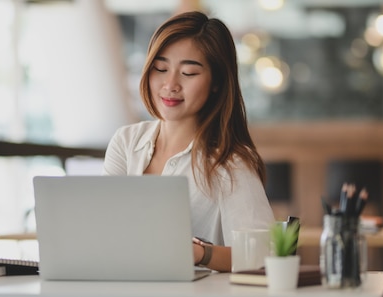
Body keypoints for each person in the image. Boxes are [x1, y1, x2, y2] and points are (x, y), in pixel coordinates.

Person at [102, 11, 275, 272]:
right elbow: (103, 228)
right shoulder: (126, 142)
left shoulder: (229, 162)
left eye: (189, 73)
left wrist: (199, 253)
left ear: (216, 81)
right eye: (160, 69)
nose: (170, 84)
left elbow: (263, 255)